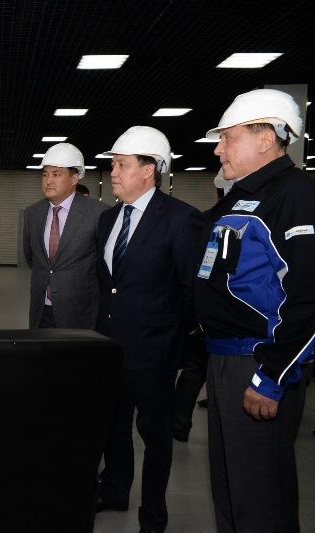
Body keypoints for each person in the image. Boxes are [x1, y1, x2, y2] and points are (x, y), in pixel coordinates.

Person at [194, 88, 314, 532]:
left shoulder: (296, 195)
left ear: (266, 139)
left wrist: (273, 375)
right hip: (223, 359)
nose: (218, 148)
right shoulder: (237, 199)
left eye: (228, 137)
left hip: (259, 363)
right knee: (231, 490)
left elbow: (308, 297)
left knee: (261, 500)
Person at [94, 126, 203, 533]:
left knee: (156, 441)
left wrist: (174, 344)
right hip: (110, 350)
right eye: (113, 165)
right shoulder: (108, 219)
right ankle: (115, 491)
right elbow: (109, 286)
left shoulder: (181, 219)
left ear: (148, 170)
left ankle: (153, 516)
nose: (113, 173)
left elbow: (191, 291)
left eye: (121, 165)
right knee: (113, 428)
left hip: (155, 356)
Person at [22, 143, 106, 329]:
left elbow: (103, 265)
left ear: (74, 178)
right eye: (45, 174)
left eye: (56, 174)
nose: (48, 180)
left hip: (80, 312)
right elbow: (32, 258)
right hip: (41, 310)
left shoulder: (99, 213)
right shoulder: (32, 214)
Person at [172, 173, 227, 441]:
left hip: (203, 313)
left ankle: (178, 425)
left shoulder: (202, 221)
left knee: (194, 372)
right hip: (232, 320)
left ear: (217, 193)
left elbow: (189, 272)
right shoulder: (259, 218)